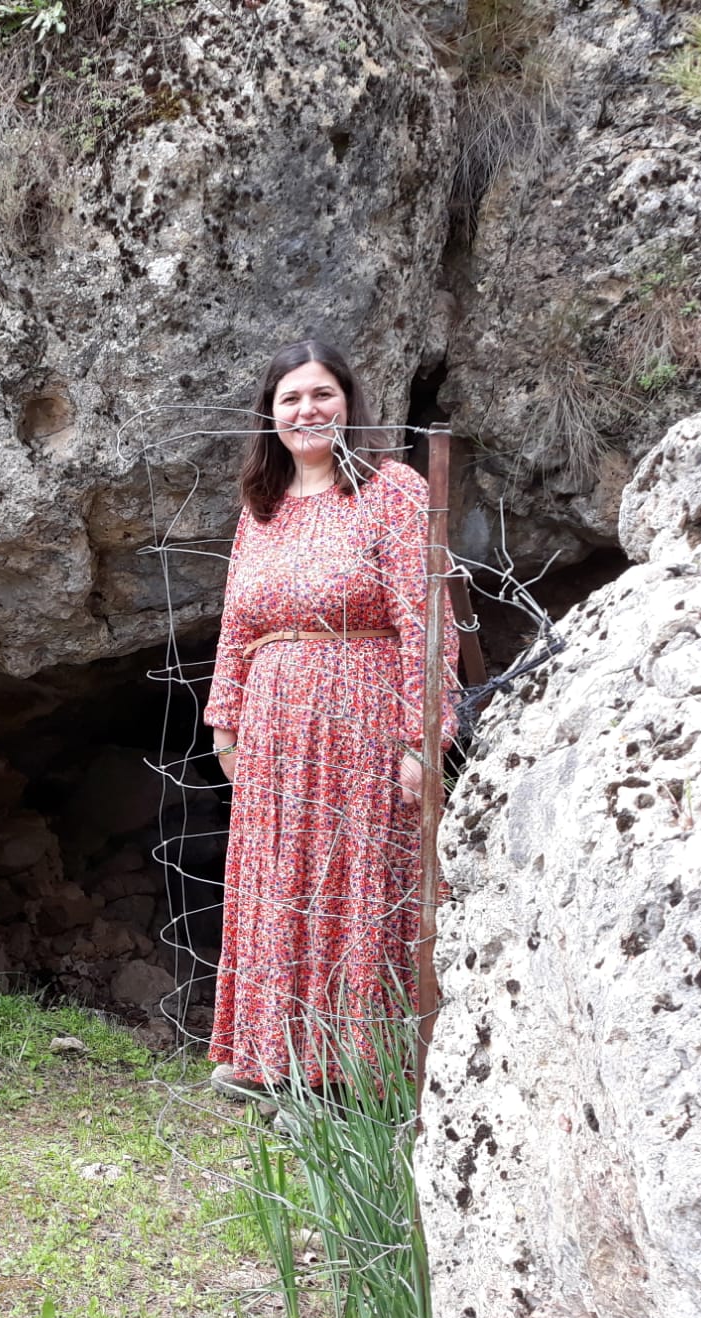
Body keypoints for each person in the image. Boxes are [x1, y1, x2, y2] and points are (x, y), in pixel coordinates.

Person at [203, 339, 456, 1096]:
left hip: (363, 725)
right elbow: (237, 624)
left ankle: (355, 1072)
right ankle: (274, 1057)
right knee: (280, 884)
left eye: (322, 395)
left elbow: (425, 621)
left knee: (357, 885)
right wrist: (226, 720)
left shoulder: (393, 490)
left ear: (349, 404)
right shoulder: (261, 510)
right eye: (290, 398)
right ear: (270, 415)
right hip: (274, 732)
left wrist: (423, 737)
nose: (306, 410)